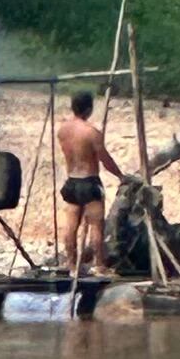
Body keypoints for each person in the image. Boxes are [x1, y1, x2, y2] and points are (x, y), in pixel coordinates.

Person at [55, 90, 120, 284]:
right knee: (96, 224)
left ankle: (71, 263)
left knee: (71, 225)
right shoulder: (91, 132)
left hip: (72, 181)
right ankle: (100, 265)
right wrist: (120, 175)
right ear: (89, 109)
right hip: (89, 182)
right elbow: (105, 160)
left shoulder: (62, 131)